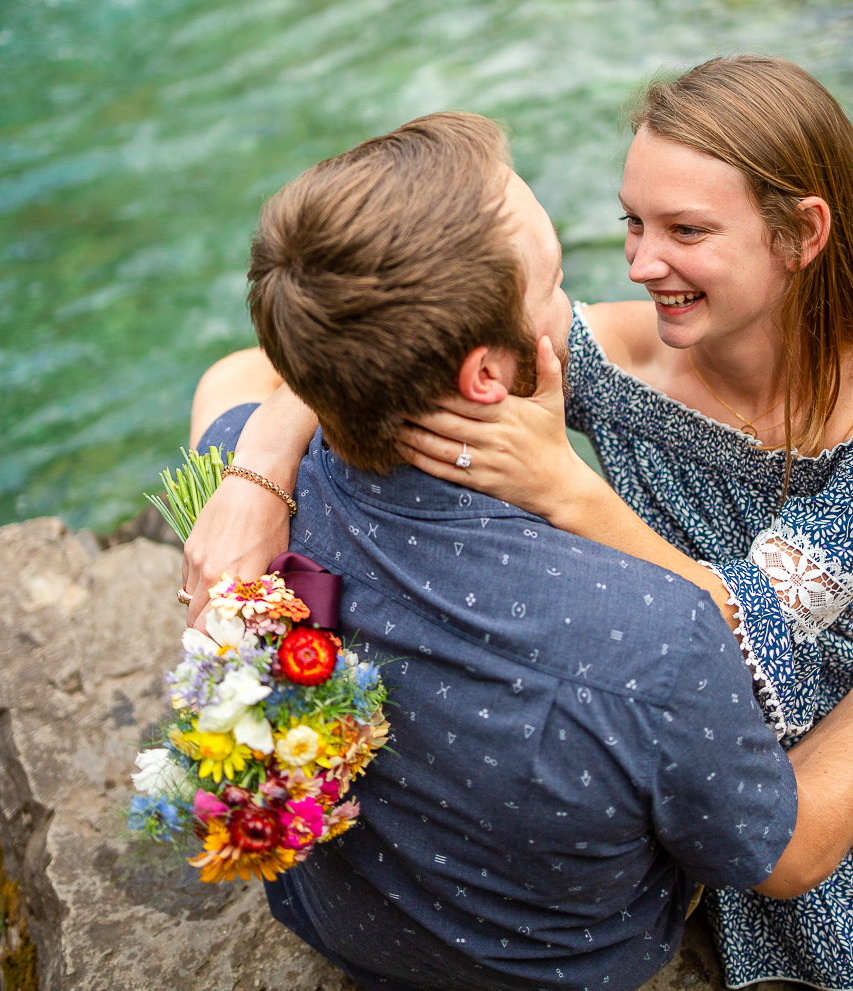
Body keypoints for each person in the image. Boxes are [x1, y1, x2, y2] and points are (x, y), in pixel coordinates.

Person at [186, 109, 853, 991]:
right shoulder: (650, 635)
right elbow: (790, 848)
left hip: (331, 917)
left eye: (684, 229)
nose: (635, 270)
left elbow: (239, 371)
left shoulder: (246, 482)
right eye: (560, 275)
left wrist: (256, 471)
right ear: (486, 379)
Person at [389, 58, 853, 990]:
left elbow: (752, 626)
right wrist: (250, 484)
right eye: (632, 224)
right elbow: (336, 340)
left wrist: (568, 490)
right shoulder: (611, 363)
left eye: (686, 230)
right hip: (703, 747)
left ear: (800, 231)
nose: (642, 264)